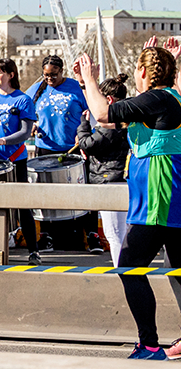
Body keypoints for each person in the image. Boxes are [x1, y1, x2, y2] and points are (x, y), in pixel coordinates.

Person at [75, 40, 181, 360]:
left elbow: (103, 113)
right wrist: (85, 85)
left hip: (157, 198)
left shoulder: (157, 98)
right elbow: (107, 119)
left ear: (144, 71)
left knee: (130, 267)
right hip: (169, 197)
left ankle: (148, 345)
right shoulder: (170, 97)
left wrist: (92, 78)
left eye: (137, 68)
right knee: (177, 270)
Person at [0, 58, 41, 263]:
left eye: (0, 72)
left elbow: (25, 132)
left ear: (11, 75)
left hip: (14, 159)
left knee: (22, 205)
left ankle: (33, 250)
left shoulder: (22, 100)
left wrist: (4, 140)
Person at [77, 75, 131, 266]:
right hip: (121, 179)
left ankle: (122, 270)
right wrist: (84, 84)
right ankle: (125, 268)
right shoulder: (125, 122)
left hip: (109, 181)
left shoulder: (109, 126)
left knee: (114, 233)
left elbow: (88, 143)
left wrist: (82, 126)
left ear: (108, 101)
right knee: (120, 231)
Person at [30, 54, 88, 156]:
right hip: (45, 148)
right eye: (46, 75)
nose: (49, 78)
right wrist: (32, 125)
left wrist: (84, 133)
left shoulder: (77, 88)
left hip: (73, 147)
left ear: (61, 71)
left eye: (53, 75)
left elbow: (91, 114)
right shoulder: (35, 90)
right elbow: (23, 113)